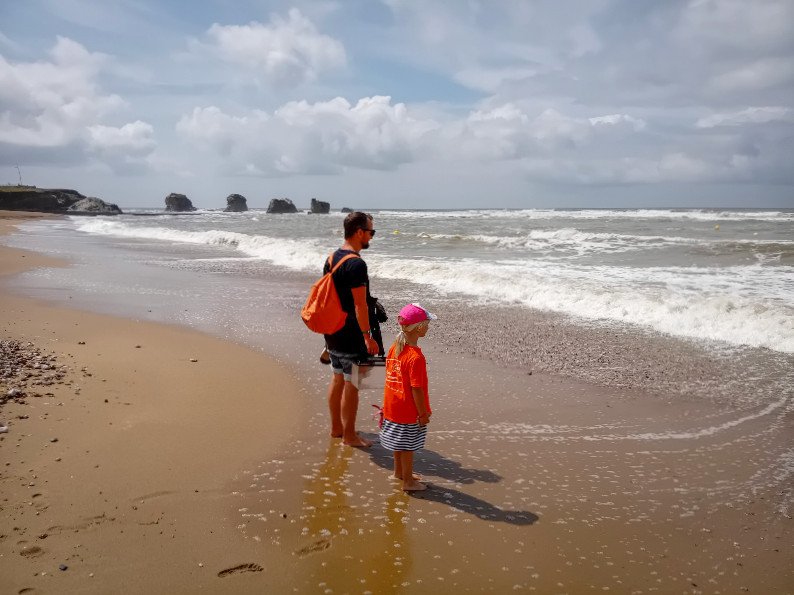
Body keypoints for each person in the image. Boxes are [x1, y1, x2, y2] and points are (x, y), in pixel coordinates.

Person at [324, 211, 380, 447]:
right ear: (359, 232)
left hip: (333, 330)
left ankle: (337, 429)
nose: (371, 237)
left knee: (338, 378)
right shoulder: (356, 264)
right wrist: (368, 336)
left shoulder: (332, 257)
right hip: (351, 334)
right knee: (352, 383)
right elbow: (360, 304)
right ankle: (349, 436)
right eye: (371, 232)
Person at [380, 303, 436, 491]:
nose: (428, 327)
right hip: (408, 411)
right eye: (427, 324)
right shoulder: (415, 358)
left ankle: (399, 473)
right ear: (419, 328)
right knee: (408, 447)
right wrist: (422, 414)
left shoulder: (395, 348)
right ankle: (408, 482)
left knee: (399, 443)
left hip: (392, 406)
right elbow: (416, 389)